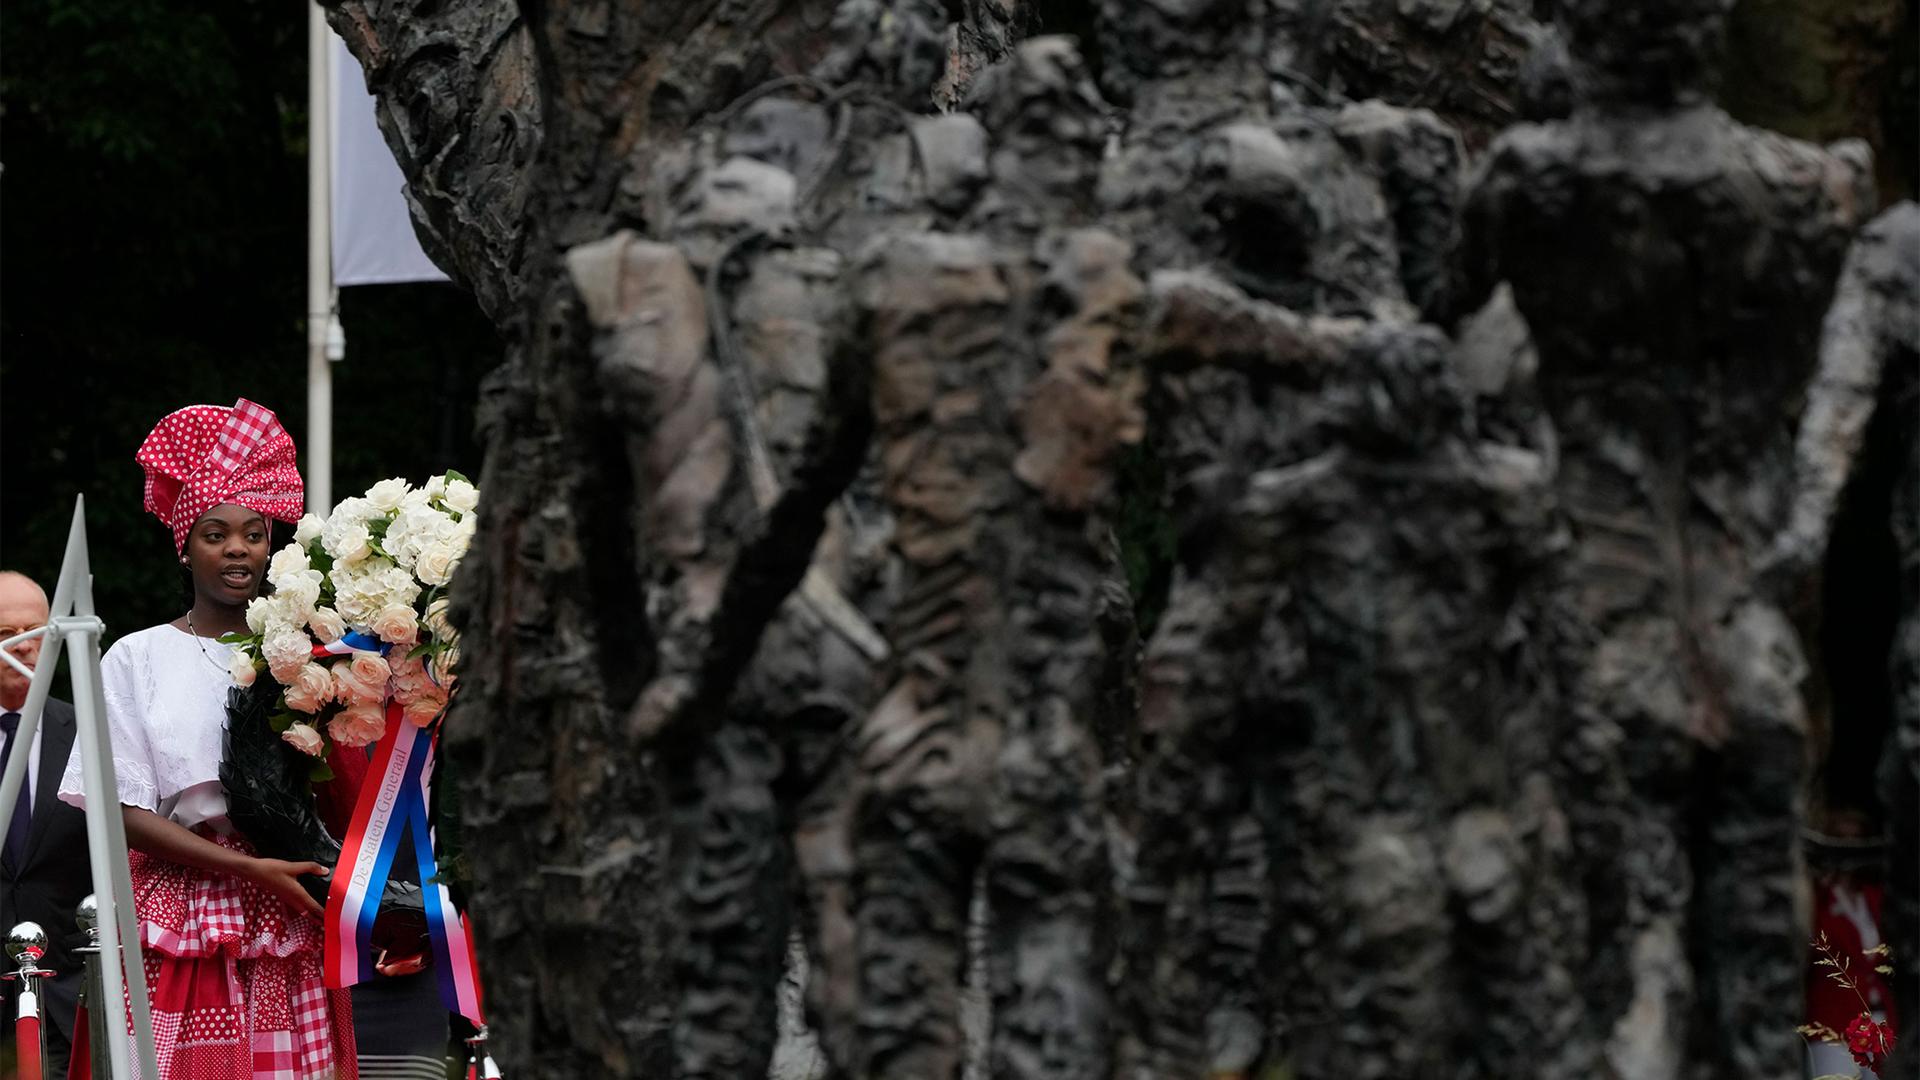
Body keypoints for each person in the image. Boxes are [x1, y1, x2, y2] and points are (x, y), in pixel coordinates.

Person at [57, 398, 356, 1079]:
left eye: (253, 533)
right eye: (215, 534)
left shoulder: (309, 653)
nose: (237, 549)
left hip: (292, 905)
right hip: (182, 912)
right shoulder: (136, 657)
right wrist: (249, 870)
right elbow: (119, 810)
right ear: (184, 548)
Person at [0, 570, 91, 1079]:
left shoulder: (90, 735)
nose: (24, 649)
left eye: (34, 633)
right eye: (5, 637)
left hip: (66, 998)